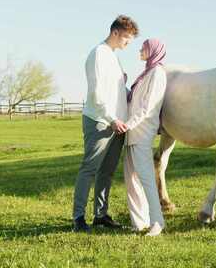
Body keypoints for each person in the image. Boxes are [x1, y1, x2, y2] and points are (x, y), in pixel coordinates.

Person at [72, 15, 139, 232]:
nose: (128, 42)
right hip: (100, 121)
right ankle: (78, 218)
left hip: (118, 124)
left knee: (107, 172)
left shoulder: (114, 56)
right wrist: (112, 119)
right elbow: (96, 94)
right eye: (127, 38)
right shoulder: (98, 54)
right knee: (89, 169)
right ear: (115, 32)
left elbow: (117, 90)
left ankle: (100, 215)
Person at [123, 38, 168, 236]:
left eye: (144, 47)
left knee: (147, 178)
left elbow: (148, 107)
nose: (140, 50)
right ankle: (139, 223)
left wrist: (128, 124)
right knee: (131, 180)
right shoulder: (146, 73)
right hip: (131, 132)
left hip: (142, 131)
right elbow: (133, 101)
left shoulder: (157, 73)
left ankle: (157, 222)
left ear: (153, 51)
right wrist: (123, 86)